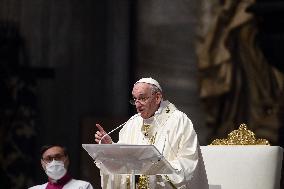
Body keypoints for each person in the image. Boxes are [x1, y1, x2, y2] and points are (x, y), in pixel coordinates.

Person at [95, 77, 208, 189]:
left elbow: (189, 162)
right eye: (135, 99)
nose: (137, 105)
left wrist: (156, 173)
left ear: (157, 97)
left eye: (142, 98)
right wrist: (111, 148)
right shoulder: (132, 123)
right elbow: (124, 159)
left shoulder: (178, 121)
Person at [29, 144, 93, 189]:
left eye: (58, 157)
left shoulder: (83, 186)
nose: (54, 162)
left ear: (67, 160)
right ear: (42, 163)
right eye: (49, 159)